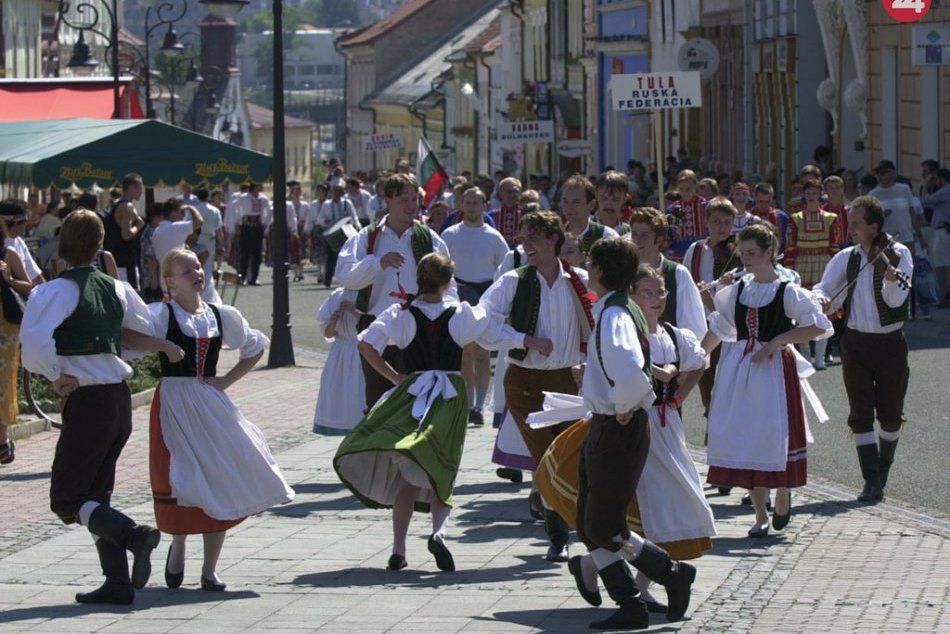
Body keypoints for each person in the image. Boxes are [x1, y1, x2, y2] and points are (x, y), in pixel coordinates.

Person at [334, 253, 539, 572]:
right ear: (448, 282)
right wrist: (527, 340)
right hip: (449, 395)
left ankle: (398, 549)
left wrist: (395, 377)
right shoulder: (461, 314)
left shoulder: (400, 313)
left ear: (420, 279)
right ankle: (438, 533)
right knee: (442, 467)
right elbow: (493, 333)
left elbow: (365, 345)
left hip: (413, 392)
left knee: (409, 472)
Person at [19, 209, 174, 604]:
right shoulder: (116, 288)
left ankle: (133, 535)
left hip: (88, 401)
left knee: (68, 498)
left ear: (63, 246)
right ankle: (117, 583)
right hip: (118, 399)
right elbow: (142, 333)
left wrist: (55, 374)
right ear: (100, 246)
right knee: (95, 495)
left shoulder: (55, 291)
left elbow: (33, 343)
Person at [143, 249, 294, 591]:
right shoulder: (160, 314)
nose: (197, 273)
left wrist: (226, 380)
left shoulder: (219, 315)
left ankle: (209, 570)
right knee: (182, 476)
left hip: (210, 402)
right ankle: (179, 544)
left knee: (221, 476)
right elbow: (127, 335)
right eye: (187, 271)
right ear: (170, 281)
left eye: (198, 267)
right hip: (174, 402)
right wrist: (163, 346)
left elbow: (254, 346)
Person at [573, 238, 697, 630]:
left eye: (589, 262)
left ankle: (668, 576)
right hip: (607, 422)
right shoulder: (616, 309)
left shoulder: (615, 315)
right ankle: (631, 601)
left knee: (604, 525)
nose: (586, 268)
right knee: (589, 524)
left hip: (618, 424)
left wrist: (625, 404)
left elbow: (630, 368)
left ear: (600, 270)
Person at [701, 223, 832, 536]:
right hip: (740, 370)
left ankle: (783, 488)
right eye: (742, 253)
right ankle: (760, 515)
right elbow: (720, 328)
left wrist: (778, 341)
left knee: (772, 434)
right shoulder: (738, 290)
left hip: (774, 371)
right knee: (746, 436)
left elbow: (819, 325)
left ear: (769, 252)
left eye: (752, 253)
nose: (745, 259)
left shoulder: (787, 290)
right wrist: (695, 357)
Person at [480, 211, 593, 563]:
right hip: (526, 383)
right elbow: (482, 324)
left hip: (569, 381)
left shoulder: (579, 280)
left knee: (571, 457)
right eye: (522, 237)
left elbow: (601, 324)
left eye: (533, 237)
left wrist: (588, 362)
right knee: (547, 459)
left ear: (553, 239)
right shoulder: (513, 281)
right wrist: (524, 339)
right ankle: (558, 538)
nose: (524, 244)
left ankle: (565, 518)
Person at [811, 196, 913, 503]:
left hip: (890, 344)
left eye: (856, 223)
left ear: (874, 226)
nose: (850, 228)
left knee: (891, 416)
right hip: (855, 343)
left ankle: (881, 473)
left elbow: (896, 301)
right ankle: (871, 480)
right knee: (860, 412)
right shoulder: (847, 257)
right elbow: (824, 288)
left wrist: (891, 281)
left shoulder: (898, 254)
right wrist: (821, 300)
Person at [335, 173, 453, 412]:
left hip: (418, 328)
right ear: (388, 200)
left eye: (414, 199)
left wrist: (446, 319)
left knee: (418, 400)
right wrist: (377, 263)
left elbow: (448, 283)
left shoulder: (429, 239)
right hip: (375, 326)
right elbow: (344, 275)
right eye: (403, 200)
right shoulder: (368, 237)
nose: (411, 205)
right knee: (378, 402)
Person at [440, 187, 510, 425]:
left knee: (482, 351)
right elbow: (441, 267)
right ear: (461, 204)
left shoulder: (494, 237)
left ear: (484, 205)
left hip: (485, 295)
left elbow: (505, 270)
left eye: (475, 203)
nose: (471, 207)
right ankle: (468, 404)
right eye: (467, 203)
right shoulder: (449, 234)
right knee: (464, 352)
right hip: (458, 294)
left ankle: (479, 406)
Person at [683, 197, 739, 416]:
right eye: (717, 221)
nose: (722, 227)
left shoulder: (738, 253)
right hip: (700, 323)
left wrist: (712, 298)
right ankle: (711, 417)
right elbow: (685, 281)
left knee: (725, 380)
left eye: (727, 222)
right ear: (707, 222)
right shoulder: (695, 249)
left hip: (727, 327)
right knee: (704, 377)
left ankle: (720, 423)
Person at [0, 199, 43, 465]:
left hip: (5, 327)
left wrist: (8, 279)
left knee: (4, 381)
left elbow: (30, 286)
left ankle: (2, 439)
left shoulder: (9, 253)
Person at [626, 206, 707, 340]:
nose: (637, 240)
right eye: (634, 234)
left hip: (669, 350)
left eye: (644, 235)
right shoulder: (623, 273)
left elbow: (694, 330)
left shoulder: (678, 274)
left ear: (659, 240)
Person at [312, 287, 365, 435]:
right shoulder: (338, 295)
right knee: (341, 397)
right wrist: (333, 323)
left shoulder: (373, 291)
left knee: (359, 396)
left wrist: (355, 312)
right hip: (340, 354)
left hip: (364, 350)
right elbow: (328, 334)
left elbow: (375, 325)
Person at [102, 173, 146, 289]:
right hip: (125, 263)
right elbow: (126, 235)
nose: (141, 191)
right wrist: (139, 226)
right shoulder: (127, 207)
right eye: (139, 187)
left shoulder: (117, 204)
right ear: (131, 187)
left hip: (118, 261)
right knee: (129, 295)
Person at [869, 160, 923, 252]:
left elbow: (911, 212)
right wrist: (881, 214)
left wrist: (919, 234)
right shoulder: (873, 194)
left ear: (892, 173)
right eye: (878, 174)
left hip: (906, 238)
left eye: (883, 173)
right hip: (885, 241)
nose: (880, 176)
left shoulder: (904, 189)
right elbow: (870, 218)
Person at [560, 174, 618, 256]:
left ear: (591, 205)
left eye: (576, 202)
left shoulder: (607, 236)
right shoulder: (555, 237)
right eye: (565, 202)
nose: (569, 207)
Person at [317, 181, 360, 288]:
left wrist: (357, 226)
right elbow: (320, 218)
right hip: (332, 234)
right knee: (331, 258)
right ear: (332, 192)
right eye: (335, 191)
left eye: (339, 191)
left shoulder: (347, 203)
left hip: (345, 233)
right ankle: (328, 280)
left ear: (342, 192)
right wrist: (325, 221)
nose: (336, 193)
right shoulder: (326, 204)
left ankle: (347, 279)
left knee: (347, 257)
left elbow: (354, 216)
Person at [229, 183, 271, 286]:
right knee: (245, 253)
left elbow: (269, 210)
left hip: (258, 226)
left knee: (257, 254)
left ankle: (254, 278)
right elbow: (233, 208)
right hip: (246, 226)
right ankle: (243, 277)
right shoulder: (244, 197)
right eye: (259, 186)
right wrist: (237, 221)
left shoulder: (263, 198)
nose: (261, 188)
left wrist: (266, 223)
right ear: (255, 187)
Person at [665, 169, 707, 261]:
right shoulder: (673, 209)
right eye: (681, 189)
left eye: (688, 188)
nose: (685, 192)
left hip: (703, 253)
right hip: (680, 254)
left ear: (696, 185)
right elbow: (671, 233)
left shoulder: (705, 206)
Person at [594, 170, 632, 236]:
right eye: (604, 198)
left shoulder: (630, 233)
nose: (609, 205)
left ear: (625, 199)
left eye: (615, 199)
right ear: (596, 196)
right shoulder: (583, 229)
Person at [489, 177, 523, 248]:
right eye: (508, 192)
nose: (512, 195)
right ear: (501, 193)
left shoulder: (525, 215)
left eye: (515, 191)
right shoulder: (492, 216)